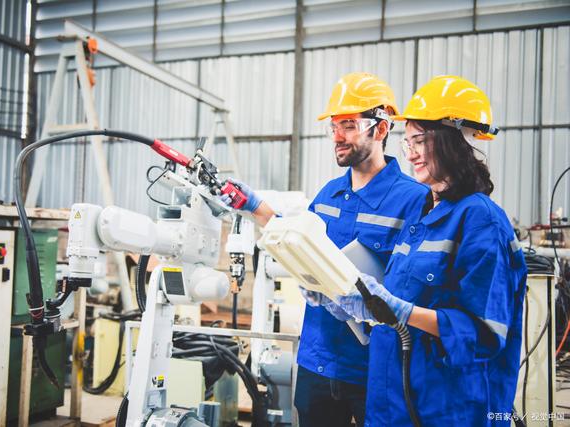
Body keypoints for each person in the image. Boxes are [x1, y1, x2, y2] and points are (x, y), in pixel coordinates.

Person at [221, 72, 428, 427]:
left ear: (380, 129)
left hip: (375, 367)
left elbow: (414, 288)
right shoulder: (329, 194)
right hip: (317, 360)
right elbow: (298, 241)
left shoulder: (414, 199)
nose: (337, 137)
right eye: (333, 127)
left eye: (348, 125)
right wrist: (253, 205)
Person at [327, 75, 527, 426]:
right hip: (390, 405)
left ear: (454, 142)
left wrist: (399, 310)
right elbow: (404, 298)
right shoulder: (423, 214)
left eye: (420, 140)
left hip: (447, 409)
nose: (411, 152)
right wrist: (354, 302)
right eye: (408, 142)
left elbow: (484, 333)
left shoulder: (480, 220)